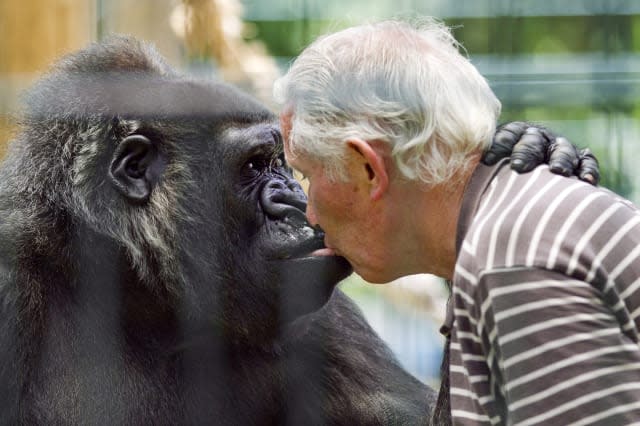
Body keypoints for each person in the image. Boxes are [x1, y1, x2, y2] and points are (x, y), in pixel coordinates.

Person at [273, 18, 640, 425]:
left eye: (306, 174)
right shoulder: (500, 226)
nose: (309, 214)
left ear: (368, 168)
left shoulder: (511, 261)